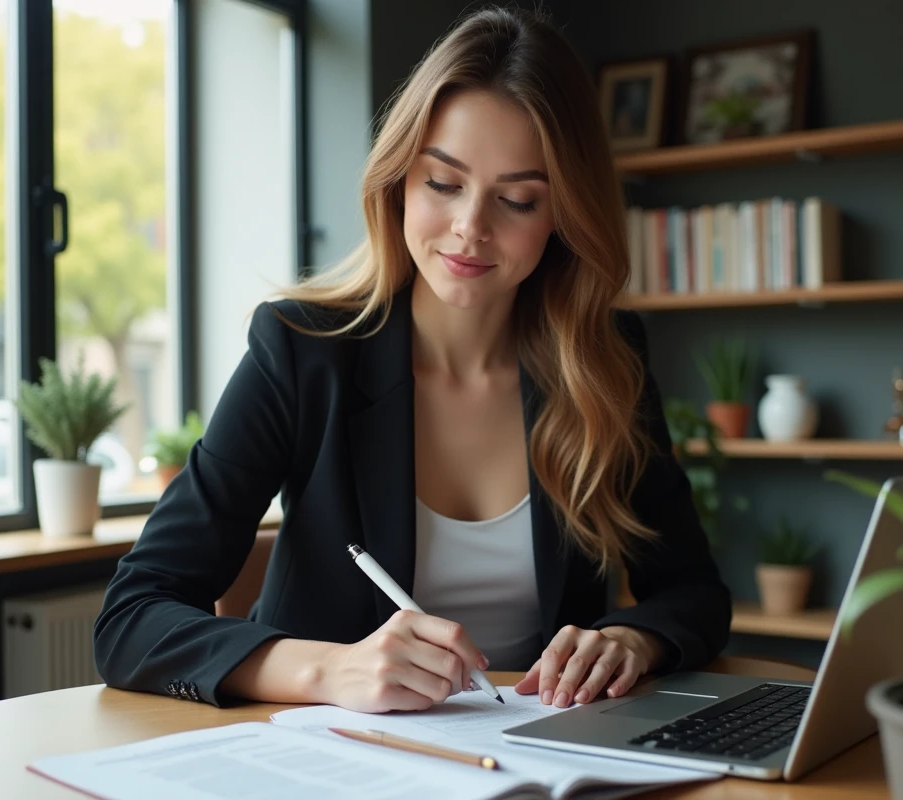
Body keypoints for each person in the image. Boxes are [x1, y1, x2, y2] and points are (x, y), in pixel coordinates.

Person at [94, 5, 730, 715]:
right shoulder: (302, 353)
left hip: (535, 763)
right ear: (398, 179)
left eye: (517, 200)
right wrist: (325, 671)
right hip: (337, 763)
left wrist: (634, 640)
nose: (470, 228)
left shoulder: (602, 365)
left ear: (564, 217)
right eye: (443, 183)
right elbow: (131, 618)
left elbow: (692, 592)